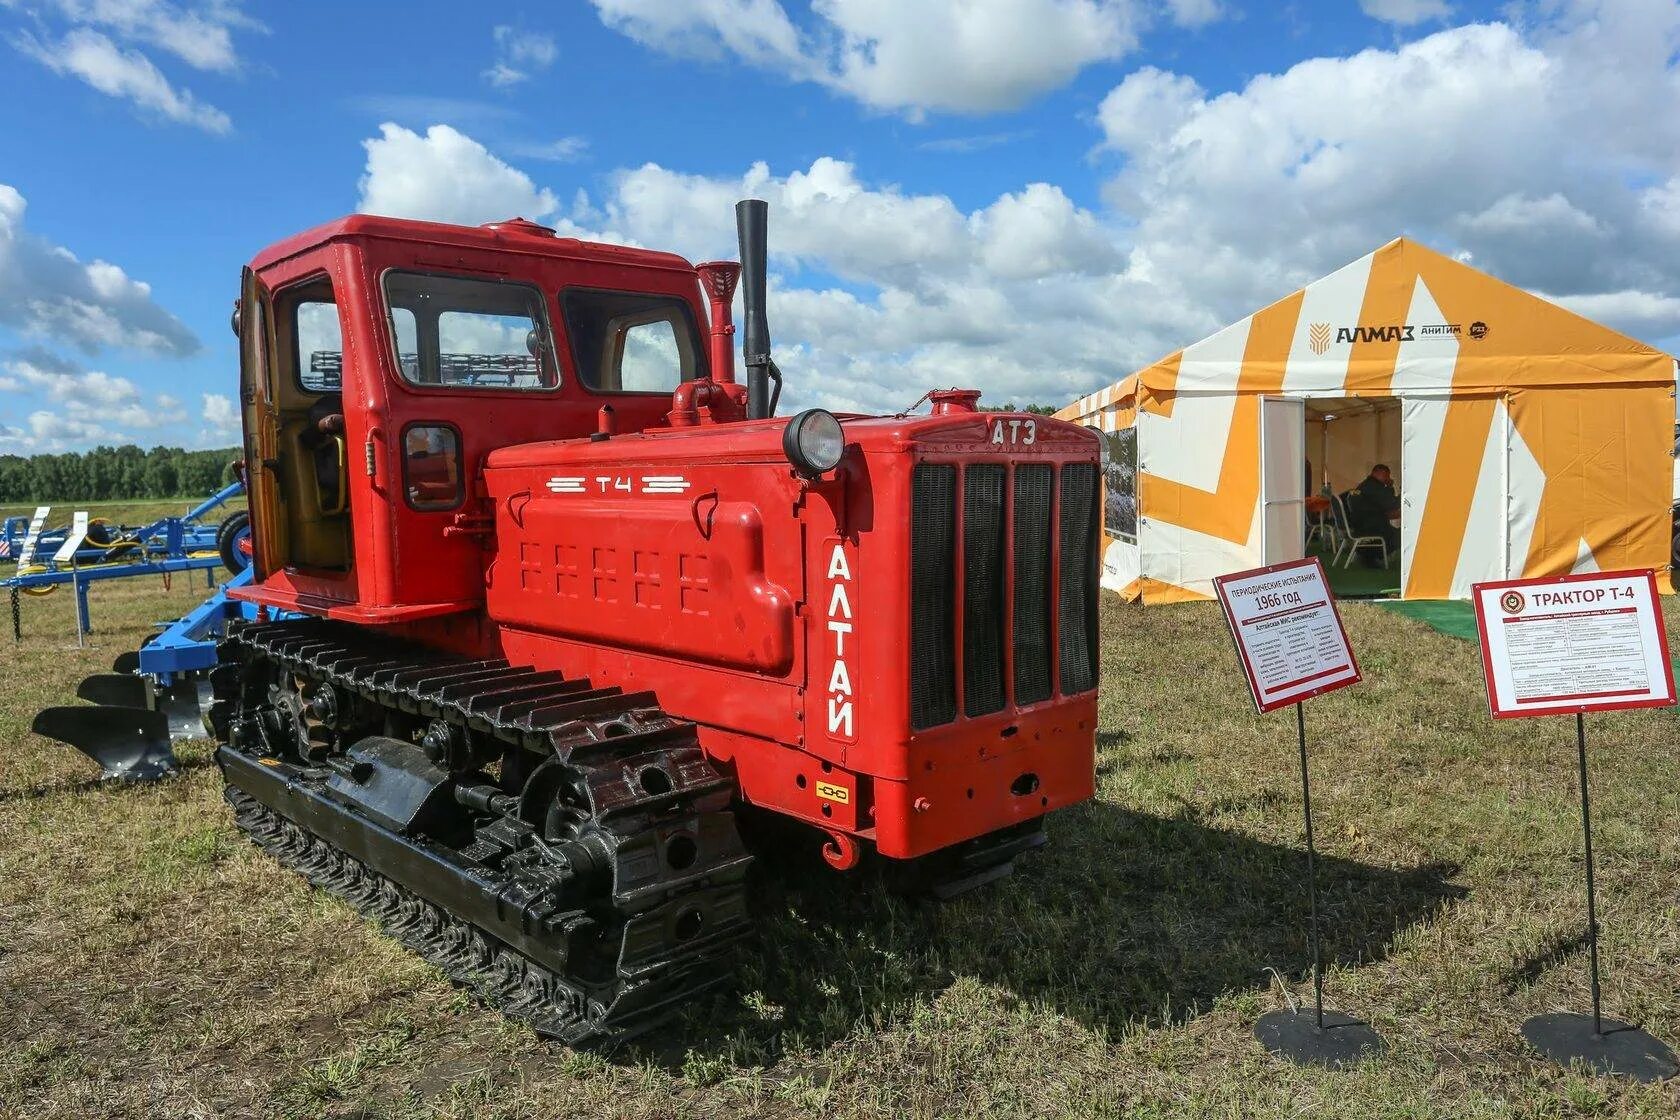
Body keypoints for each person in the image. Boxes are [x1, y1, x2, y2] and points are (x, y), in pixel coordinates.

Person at [1346, 464, 1400, 566]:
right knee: (1402, 535)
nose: (1388, 478)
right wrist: (1404, 495)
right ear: (1379, 473)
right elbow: (1392, 504)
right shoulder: (1375, 487)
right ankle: (1374, 555)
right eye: (1387, 476)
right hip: (1373, 528)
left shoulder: (1365, 485)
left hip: (1361, 527)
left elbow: (1386, 504)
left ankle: (1368, 555)